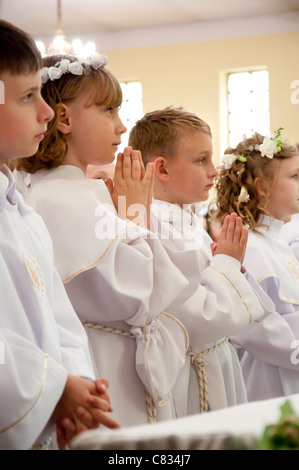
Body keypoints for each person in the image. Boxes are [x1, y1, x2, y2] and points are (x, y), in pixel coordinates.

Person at [13, 58, 270, 424]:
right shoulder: (65, 197)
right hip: (105, 365)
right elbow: (140, 291)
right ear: (65, 119)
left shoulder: (72, 191)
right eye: (108, 110)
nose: (120, 126)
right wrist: (135, 212)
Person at [0, 20, 120, 450]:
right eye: (27, 97)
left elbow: (59, 318)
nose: (46, 113)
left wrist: (78, 388)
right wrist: (54, 388)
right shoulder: (52, 199)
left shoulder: (22, 212)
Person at [128, 107, 274, 413]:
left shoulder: (186, 219)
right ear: (162, 169)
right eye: (201, 160)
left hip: (216, 361)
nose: (214, 170)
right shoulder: (151, 226)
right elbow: (197, 319)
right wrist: (227, 265)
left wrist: (226, 264)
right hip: (190, 373)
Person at [213, 129, 299, 401]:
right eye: (295, 176)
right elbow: (252, 325)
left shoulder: (276, 240)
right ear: (263, 187)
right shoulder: (252, 246)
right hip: (271, 377)